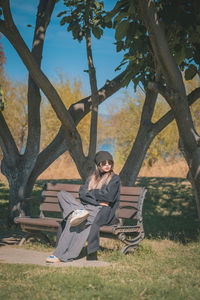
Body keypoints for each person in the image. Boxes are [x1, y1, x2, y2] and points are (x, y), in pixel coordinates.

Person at [46, 150, 120, 263]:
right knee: (62, 194)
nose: (107, 165)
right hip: (87, 207)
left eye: (109, 163)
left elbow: (109, 197)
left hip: (100, 211)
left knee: (73, 221)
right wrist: (97, 197)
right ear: (98, 165)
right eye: (104, 163)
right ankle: (78, 211)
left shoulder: (114, 178)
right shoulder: (92, 178)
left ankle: (60, 255)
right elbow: (82, 194)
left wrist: (91, 193)